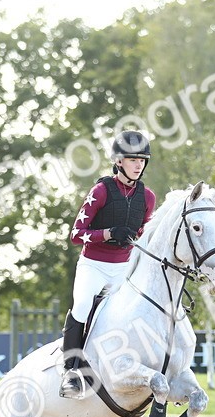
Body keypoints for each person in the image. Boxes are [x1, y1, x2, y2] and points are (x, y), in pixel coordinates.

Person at [59, 129, 157, 398]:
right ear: (118, 162)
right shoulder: (101, 191)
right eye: (132, 159)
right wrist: (109, 233)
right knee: (81, 305)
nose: (138, 165)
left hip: (123, 269)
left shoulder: (147, 198)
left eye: (142, 160)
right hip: (93, 265)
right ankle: (70, 370)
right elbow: (76, 235)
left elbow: (143, 235)